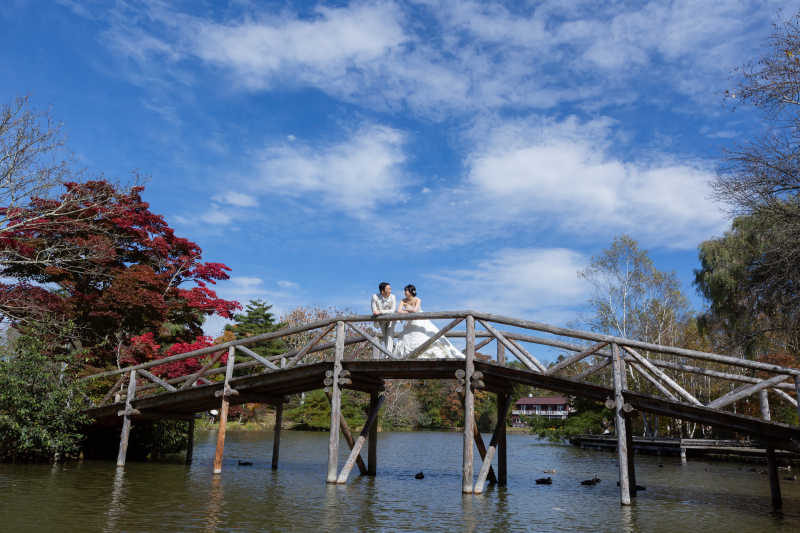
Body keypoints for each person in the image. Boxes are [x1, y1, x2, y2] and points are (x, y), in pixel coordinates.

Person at [393, 284, 464, 359]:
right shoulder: (403, 300)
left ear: (411, 291)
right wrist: (408, 311)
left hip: (419, 320)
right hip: (410, 321)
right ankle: (409, 355)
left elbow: (414, 310)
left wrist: (406, 309)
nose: (405, 292)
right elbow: (399, 312)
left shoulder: (418, 300)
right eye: (405, 290)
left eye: (406, 290)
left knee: (421, 336)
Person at [371, 282, 396, 351]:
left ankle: (388, 355)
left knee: (390, 335)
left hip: (391, 318)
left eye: (390, 289)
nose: (390, 291)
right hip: (381, 320)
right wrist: (379, 312)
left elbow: (393, 310)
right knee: (385, 336)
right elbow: (374, 311)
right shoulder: (375, 297)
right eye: (388, 289)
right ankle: (388, 353)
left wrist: (381, 312)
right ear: (382, 291)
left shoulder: (393, 297)